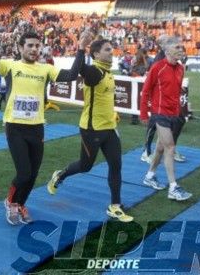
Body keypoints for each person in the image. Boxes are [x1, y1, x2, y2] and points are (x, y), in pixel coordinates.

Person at [0, 29, 93, 225]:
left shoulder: (45, 69)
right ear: (20, 47)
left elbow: (72, 75)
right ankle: (10, 202)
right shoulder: (10, 66)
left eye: (37, 46)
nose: (34, 49)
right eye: (30, 46)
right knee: (24, 172)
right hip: (15, 127)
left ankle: (21, 204)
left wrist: (81, 48)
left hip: (37, 128)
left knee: (33, 174)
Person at [45, 37, 134, 223]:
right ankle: (60, 175)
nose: (112, 52)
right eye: (108, 49)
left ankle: (115, 206)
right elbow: (76, 70)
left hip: (109, 129)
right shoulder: (94, 71)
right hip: (91, 130)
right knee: (85, 167)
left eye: (112, 49)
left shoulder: (108, 72)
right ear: (96, 54)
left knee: (116, 165)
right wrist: (79, 48)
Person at [140, 36, 192, 201]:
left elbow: (176, 93)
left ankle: (150, 175)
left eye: (181, 47)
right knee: (170, 147)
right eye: (177, 47)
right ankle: (173, 187)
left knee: (161, 149)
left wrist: (180, 113)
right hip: (160, 113)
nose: (181, 50)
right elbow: (146, 92)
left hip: (174, 114)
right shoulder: (157, 67)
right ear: (167, 50)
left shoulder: (181, 68)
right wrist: (143, 114)